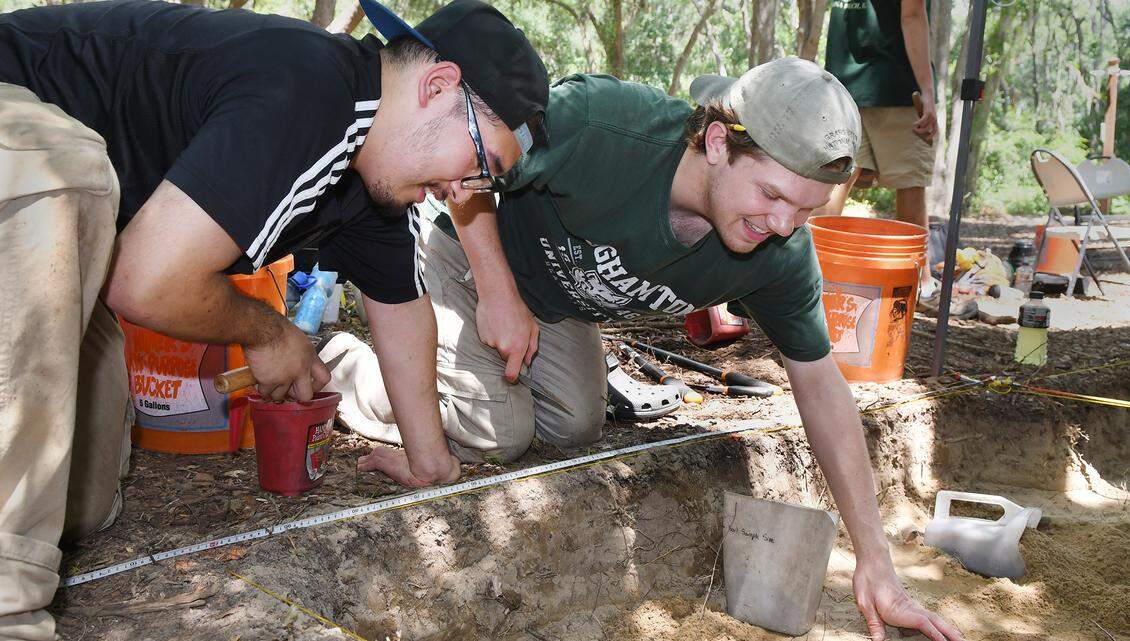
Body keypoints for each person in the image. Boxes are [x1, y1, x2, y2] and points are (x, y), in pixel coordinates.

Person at [321, 57, 963, 640]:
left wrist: (876, 563)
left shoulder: (780, 252)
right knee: (500, 431)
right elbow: (471, 169)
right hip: (469, 250)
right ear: (718, 143)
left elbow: (821, 384)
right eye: (770, 195)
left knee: (574, 426)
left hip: (557, 301)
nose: (781, 227)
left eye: (806, 210)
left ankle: (449, 373)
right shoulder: (600, 125)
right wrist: (495, 289)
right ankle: (351, 370)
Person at [0, 0, 548, 638]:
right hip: (17, 135)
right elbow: (143, 283)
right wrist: (269, 332)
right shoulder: (307, 86)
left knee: (82, 506)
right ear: (436, 85)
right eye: (478, 165)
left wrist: (431, 462)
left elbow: (403, 312)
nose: (462, 194)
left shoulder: (372, 183)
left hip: (54, 251)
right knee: (70, 175)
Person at [819, 0, 939, 298]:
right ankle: (919, 286)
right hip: (895, 81)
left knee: (835, 181)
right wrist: (928, 91)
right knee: (910, 182)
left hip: (844, 83)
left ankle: (812, 272)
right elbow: (911, 15)